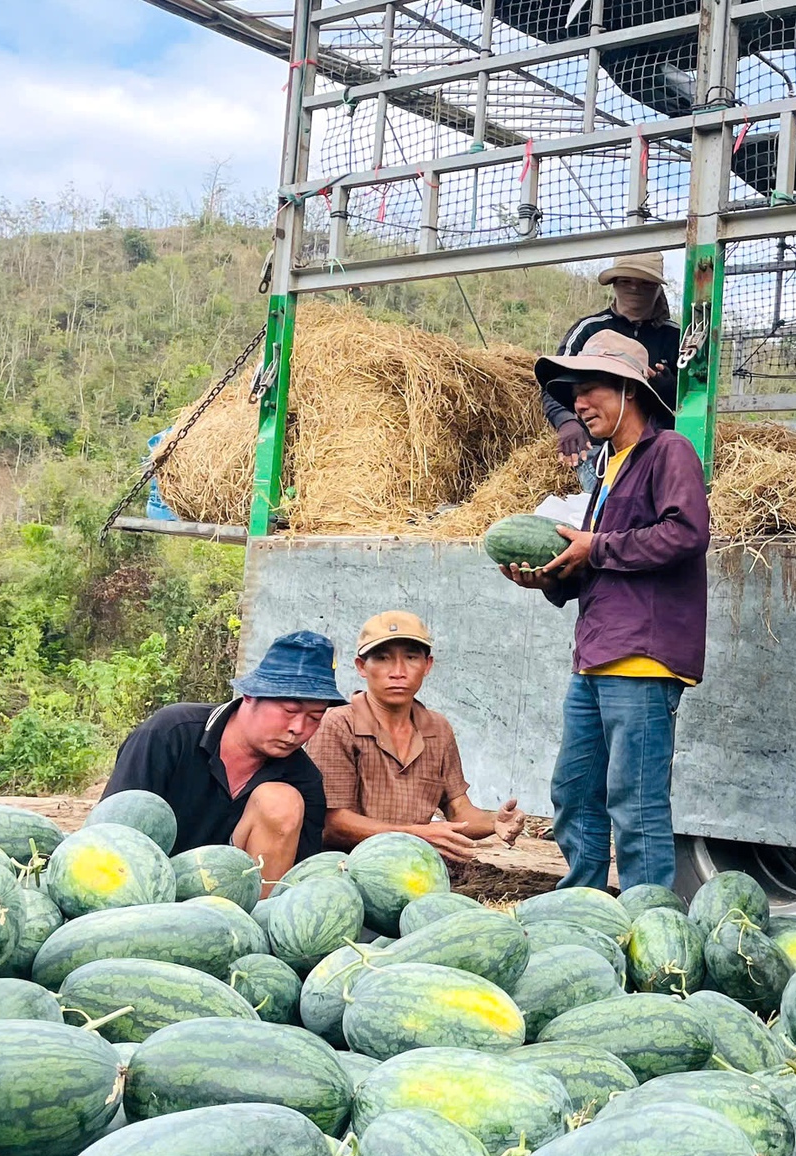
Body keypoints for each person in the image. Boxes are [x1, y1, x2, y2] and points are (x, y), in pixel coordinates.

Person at [504, 330, 709, 892]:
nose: (578, 403)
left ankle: (650, 917)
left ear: (629, 389)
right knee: (573, 792)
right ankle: (583, 906)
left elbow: (686, 534)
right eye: (573, 394)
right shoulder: (602, 469)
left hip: (642, 657)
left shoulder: (669, 451)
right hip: (594, 654)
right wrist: (548, 578)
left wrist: (594, 547)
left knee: (635, 803)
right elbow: (597, 565)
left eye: (590, 388)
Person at [105, 630, 343, 892]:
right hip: (140, 887)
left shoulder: (304, 780)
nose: (298, 728)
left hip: (229, 907)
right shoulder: (170, 733)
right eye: (290, 711)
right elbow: (114, 827)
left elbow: (296, 882)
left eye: (314, 717)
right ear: (251, 695)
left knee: (280, 801)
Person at [306, 610, 525, 865]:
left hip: (414, 867)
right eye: (383, 658)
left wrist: (494, 822)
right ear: (361, 667)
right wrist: (416, 835)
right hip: (345, 867)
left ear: (427, 665)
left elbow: (458, 809)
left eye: (411, 658)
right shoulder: (338, 724)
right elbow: (333, 823)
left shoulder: (438, 729)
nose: (398, 672)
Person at [545, 253, 682, 493]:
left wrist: (670, 390)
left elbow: (695, 395)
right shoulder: (589, 330)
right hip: (598, 447)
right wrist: (566, 421)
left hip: (656, 445)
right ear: (615, 284)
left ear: (657, 288)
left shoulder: (676, 338)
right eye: (626, 281)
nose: (634, 288)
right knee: (609, 489)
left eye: (645, 283)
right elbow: (554, 383)